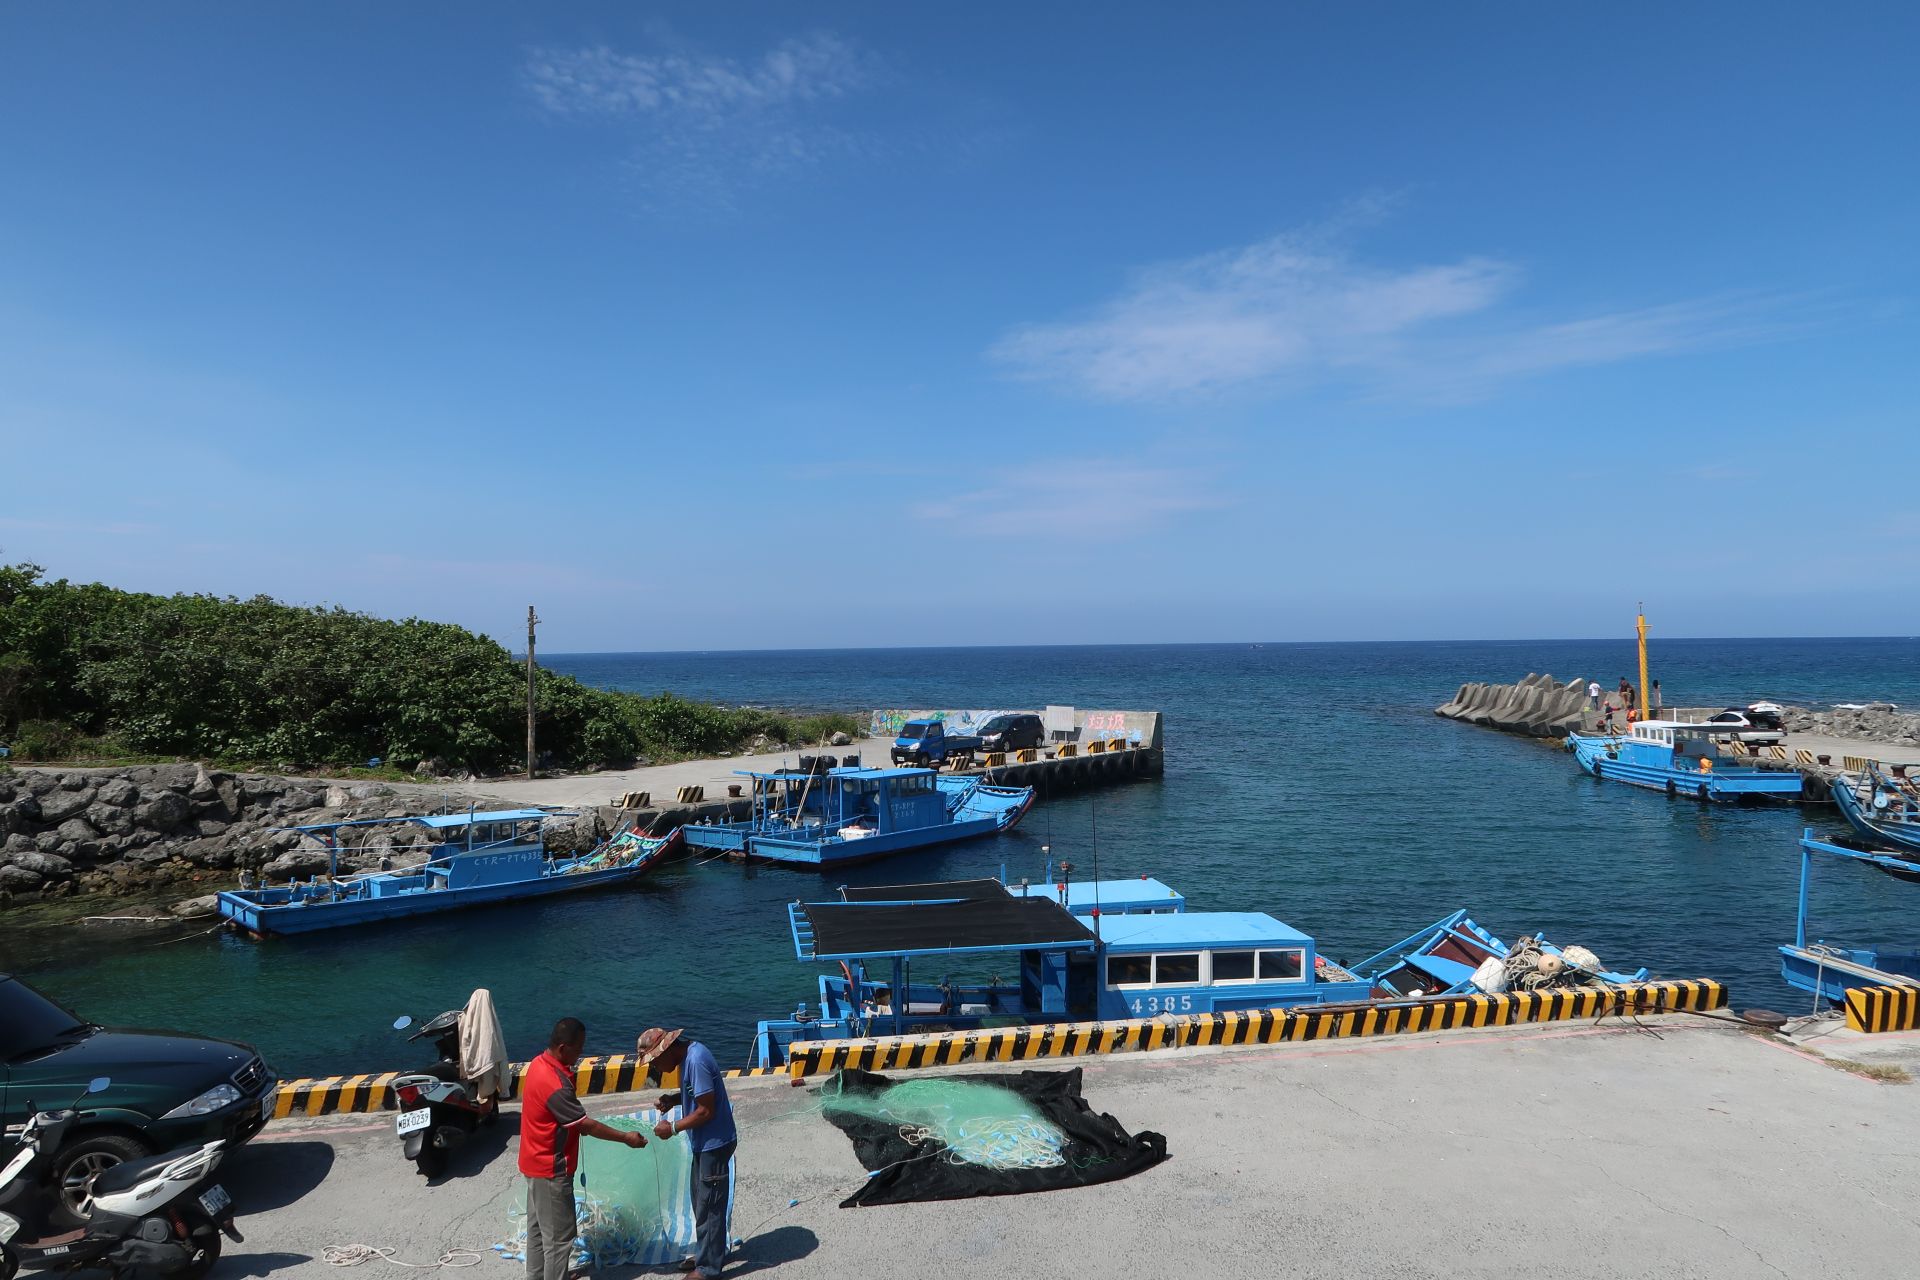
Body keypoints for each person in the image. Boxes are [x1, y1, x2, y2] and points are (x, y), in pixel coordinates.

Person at [519, 1018, 648, 1280]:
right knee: (560, 1239)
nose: (581, 1054)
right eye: (578, 1048)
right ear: (563, 1047)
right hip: (551, 1169)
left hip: (532, 1163)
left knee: (537, 1230)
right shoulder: (555, 1084)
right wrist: (625, 1137)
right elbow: (585, 1125)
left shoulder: (537, 1064)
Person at [638, 1027, 738, 1280]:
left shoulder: (696, 1060)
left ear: (668, 1049)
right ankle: (708, 1255)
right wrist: (674, 1099)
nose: (655, 1068)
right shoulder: (687, 1058)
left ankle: (707, 1269)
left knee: (711, 1206)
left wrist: (671, 1128)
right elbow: (697, 1095)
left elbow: (706, 1110)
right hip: (705, 1143)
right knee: (702, 1203)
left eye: (654, 1061)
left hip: (714, 1143)